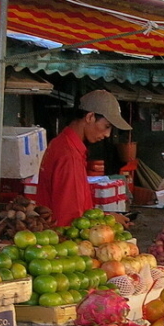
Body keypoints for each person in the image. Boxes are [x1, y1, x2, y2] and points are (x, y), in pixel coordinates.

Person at [36, 90, 132, 228]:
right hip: (63, 242)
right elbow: (70, 220)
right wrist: (107, 221)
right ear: (90, 117)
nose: (107, 134)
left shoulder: (61, 143)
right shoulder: (69, 155)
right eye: (107, 126)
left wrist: (107, 217)